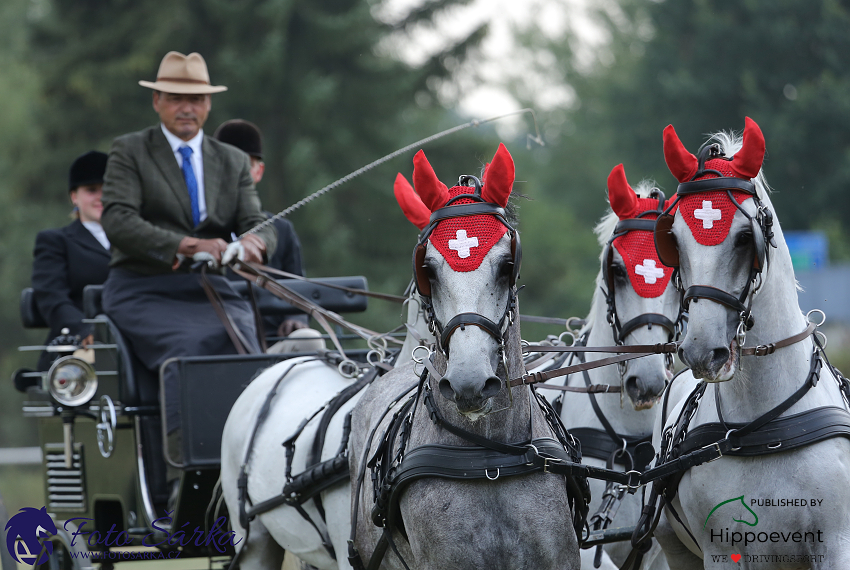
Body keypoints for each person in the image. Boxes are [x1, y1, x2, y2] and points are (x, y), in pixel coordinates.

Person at [99, 51, 277, 439]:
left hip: (214, 291)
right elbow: (118, 221)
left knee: (250, 348)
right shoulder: (130, 151)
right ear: (157, 101)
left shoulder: (230, 160)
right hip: (143, 289)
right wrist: (188, 244)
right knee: (194, 346)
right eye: (176, 98)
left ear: (208, 105)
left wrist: (253, 242)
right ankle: (188, 463)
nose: (186, 108)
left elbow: (257, 222)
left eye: (195, 99)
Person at [213, 119, 308, 338]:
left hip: (274, 344)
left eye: (243, 167)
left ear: (259, 171)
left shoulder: (282, 230)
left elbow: (297, 287)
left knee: (309, 341)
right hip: (216, 342)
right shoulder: (199, 228)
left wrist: (296, 319)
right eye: (228, 166)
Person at [31, 151, 111, 371]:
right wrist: (84, 329)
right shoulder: (56, 241)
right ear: (74, 196)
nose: (100, 197)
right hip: (78, 343)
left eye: (107, 189)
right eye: (91, 190)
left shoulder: (138, 241)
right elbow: (51, 295)